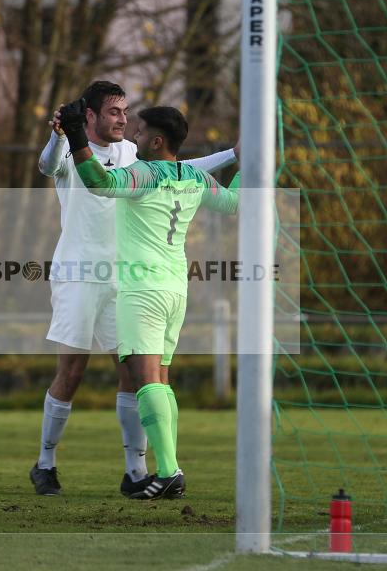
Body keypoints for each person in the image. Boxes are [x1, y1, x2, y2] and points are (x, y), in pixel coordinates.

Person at [33, 80, 239, 497]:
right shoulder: (72, 151)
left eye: (127, 113)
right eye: (114, 112)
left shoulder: (135, 153)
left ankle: (136, 471)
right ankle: (45, 463)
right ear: (89, 116)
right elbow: (47, 166)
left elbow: (186, 165)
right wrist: (59, 135)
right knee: (71, 373)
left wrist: (236, 153)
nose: (124, 120)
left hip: (128, 280)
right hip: (79, 274)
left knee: (133, 375)